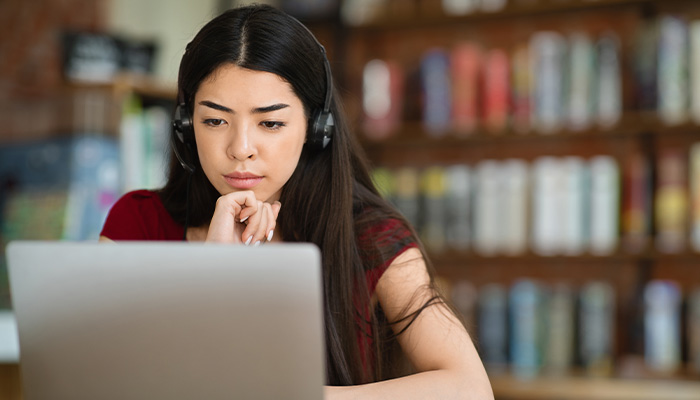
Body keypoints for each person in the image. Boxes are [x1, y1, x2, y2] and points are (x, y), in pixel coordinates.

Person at [100, 4, 493, 399]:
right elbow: (96, 376)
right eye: (215, 120)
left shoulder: (370, 235)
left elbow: (469, 388)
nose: (240, 149)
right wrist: (211, 274)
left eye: (270, 123)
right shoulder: (138, 222)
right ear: (187, 126)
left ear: (315, 128)